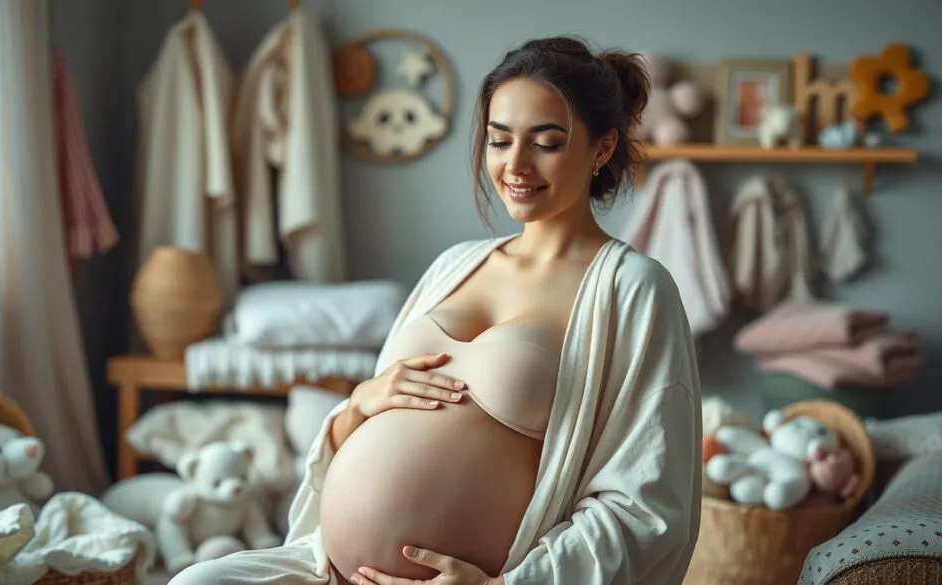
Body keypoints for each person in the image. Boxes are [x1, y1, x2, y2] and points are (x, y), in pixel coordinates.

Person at [170, 35, 702, 585]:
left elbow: (645, 500)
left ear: (602, 148)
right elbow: (366, 424)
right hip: (332, 569)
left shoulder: (633, 288)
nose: (515, 165)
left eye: (546, 142)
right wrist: (357, 405)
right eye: (499, 141)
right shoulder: (455, 264)